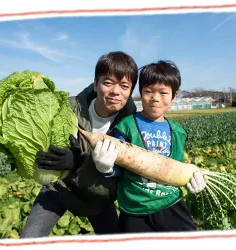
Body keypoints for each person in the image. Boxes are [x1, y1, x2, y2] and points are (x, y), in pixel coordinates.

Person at [20, 51, 138, 238]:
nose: (116, 91)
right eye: (108, 83)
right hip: (59, 187)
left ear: (131, 91)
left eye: (124, 86)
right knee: (28, 239)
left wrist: (78, 163)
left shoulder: (132, 126)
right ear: (96, 83)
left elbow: (124, 179)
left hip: (98, 196)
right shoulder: (68, 108)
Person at [92, 60, 207, 233]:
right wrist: (106, 168)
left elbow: (176, 168)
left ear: (174, 96)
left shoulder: (178, 132)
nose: (155, 98)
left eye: (163, 92)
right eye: (148, 91)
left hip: (170, 205)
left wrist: (192, 182)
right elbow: (117, 168)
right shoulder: (126, 126)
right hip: (133, 208)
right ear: (140, 93)